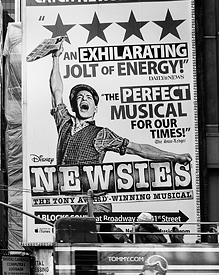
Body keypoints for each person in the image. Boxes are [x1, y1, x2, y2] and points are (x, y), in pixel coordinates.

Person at [45, 42, 191, 212]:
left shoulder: (102, 134)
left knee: (97, 231)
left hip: (95, 201)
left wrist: (174, 157)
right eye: (79, 97)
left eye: (88, 98)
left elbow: (139, 149)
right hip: (70, 196)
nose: (84, 99)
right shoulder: (64, 122)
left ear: (95, 108)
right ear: (74, 106)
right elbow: (56, 91)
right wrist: (55, 58)